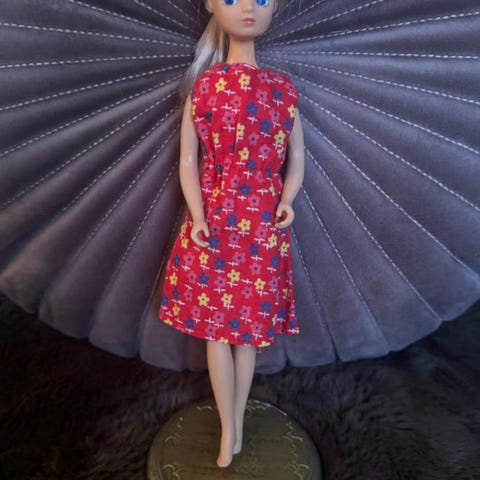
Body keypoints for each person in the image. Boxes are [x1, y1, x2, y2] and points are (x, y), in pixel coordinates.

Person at [158, 0, 305, 468]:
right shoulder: (205, 87)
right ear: (210, 5)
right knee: (216, 329)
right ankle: (229, 427)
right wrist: (198, 216)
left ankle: (236, 423)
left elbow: (296, 160)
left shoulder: (283, 90)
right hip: (216, 225)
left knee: (248, 332)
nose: (247, 9)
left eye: (261, 0)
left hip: (261, 226)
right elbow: (188, 161)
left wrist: (287, 199)